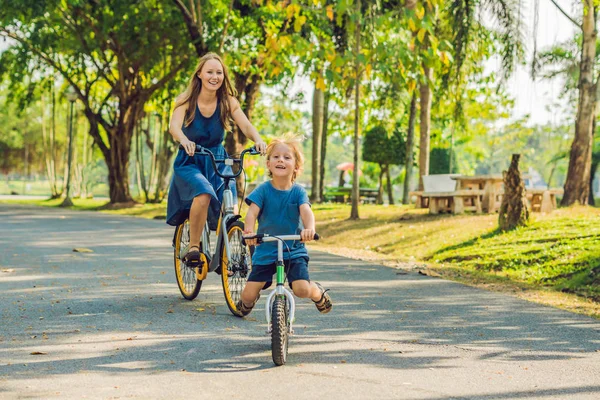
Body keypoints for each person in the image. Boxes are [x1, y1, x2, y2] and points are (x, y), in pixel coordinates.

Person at [166, 52, 266, 267]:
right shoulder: (185, 100)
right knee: (203, 194)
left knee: (230, 201)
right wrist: (184, 140)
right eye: (210, 71)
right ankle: (194, 247)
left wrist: (258, 140)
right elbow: (174, 127)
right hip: (191, 159)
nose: (215, 76)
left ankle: (228, 246)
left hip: (217, 159)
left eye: (219, 72)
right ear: (200, 74)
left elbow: (245, 125)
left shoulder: (228, 101)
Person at [237, 135, 332, 316]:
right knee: (247, 296)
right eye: (276, 157)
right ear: (269, 164)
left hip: (293, 249)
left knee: (301, 289)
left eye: (287, 157)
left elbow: (306, 211)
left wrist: (309, 229)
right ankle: (249, 300)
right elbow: (252, 213)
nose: (281, 160)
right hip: (266, 249)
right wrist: (249, 232)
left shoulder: (298, 192)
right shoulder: (263, 190)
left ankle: (317, 292)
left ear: (296, 166)